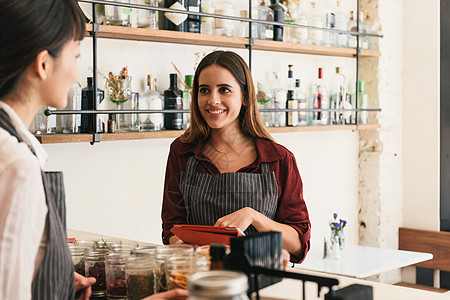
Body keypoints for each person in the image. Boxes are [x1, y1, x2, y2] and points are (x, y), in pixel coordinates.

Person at [0, 1, 188, 299]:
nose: (76, 72)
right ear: (43, 64)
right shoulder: (15, 165)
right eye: (75, 55)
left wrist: (53, 277)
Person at [162, 50, 311, 262]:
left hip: (261, 284)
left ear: (245, 97)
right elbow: (171, 227)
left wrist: (254, 216)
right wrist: (189, 249)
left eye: (224, 90)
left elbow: (298, 246)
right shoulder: (181, 152)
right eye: (204, 90)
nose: (213, 100)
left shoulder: (279, 159)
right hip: (202, 281)